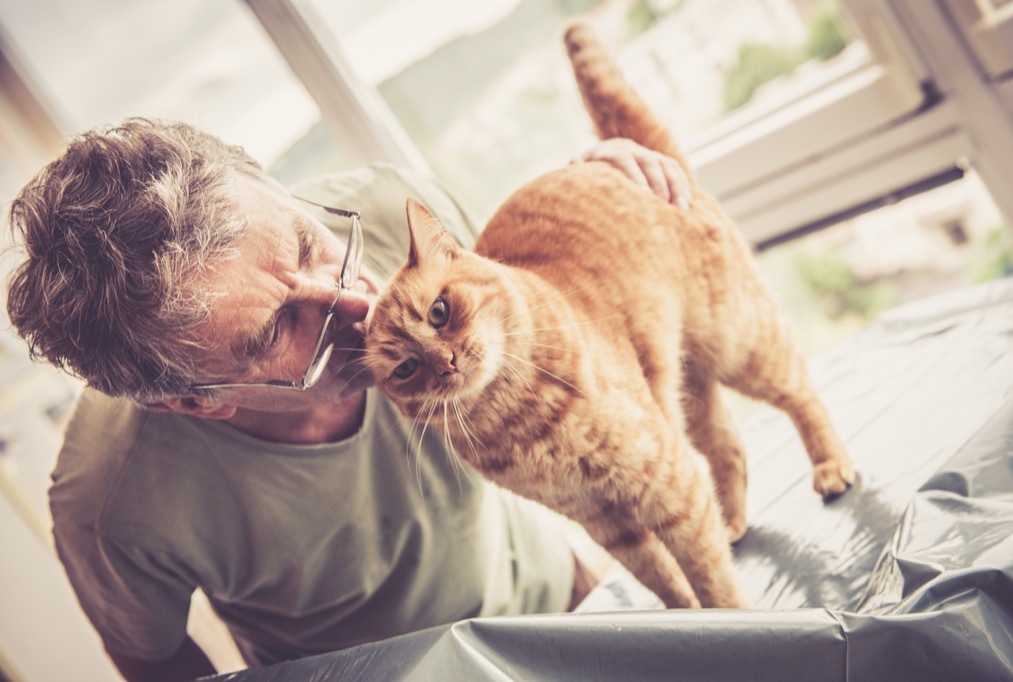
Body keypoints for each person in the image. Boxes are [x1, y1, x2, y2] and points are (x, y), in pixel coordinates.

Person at [5, 118, 690, 681]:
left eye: (309, 241)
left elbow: (560, 308)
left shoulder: (397, 213)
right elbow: (156, 664)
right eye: (275, 329)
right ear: (194, 402)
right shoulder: (112, 505)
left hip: (569, 596)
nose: (361, 302)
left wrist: (604, 193)